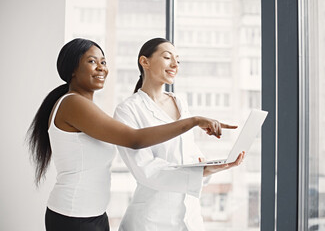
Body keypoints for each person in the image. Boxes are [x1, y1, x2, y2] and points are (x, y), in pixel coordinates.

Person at [26, 38, 237, 231]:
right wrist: (193, 121)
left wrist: (204, 166)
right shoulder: (73, 103)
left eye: (104, 62)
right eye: (92, 61)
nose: (101, 68)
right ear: (72, 69)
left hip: (94, 214)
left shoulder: (85, 106)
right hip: (74, 215)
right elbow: (134, 139)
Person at [114, 38, 246, 231]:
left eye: (178, 60)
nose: (175, 65)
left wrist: (214, 166)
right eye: (167, 57)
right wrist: (201, 171)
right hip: (151, 221)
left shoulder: (180, 102)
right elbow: (146, 171)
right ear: (145, 62)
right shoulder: (128, 110)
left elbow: (190, 155)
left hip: (188, 218)